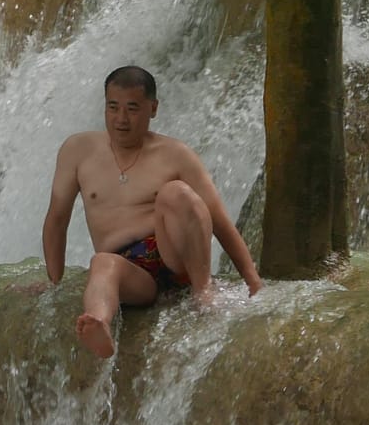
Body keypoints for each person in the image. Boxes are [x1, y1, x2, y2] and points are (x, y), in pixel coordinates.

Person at [43, 63, 260, 360]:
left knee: (177, 193)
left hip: (174, 257)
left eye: (132, 108)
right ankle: (98, 323)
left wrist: (253, 282)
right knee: (103, 264)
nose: (121, 119)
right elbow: (57, 219)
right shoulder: (78, 151)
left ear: (153, 108)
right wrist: (52, 283)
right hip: (131, 271)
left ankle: (203, 291)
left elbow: (218, 220)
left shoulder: (175, 154)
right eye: (113, 107)